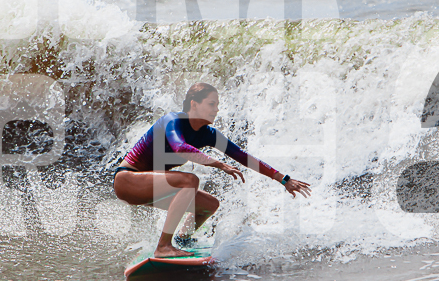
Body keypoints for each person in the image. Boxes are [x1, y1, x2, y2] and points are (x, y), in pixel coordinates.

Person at [113, 82, 312, 258]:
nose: (216, 109)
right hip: (128, 180)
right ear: (194, 104)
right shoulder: (173, 121)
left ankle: (182, 240)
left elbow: (244, 157)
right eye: (211, 104)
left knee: (209, 205)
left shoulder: (208, 134)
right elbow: (179, 147)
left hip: (153, 187)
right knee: (190, 180)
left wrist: (284, 179)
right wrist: (218, 163)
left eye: (217, 105)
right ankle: (163, 246)